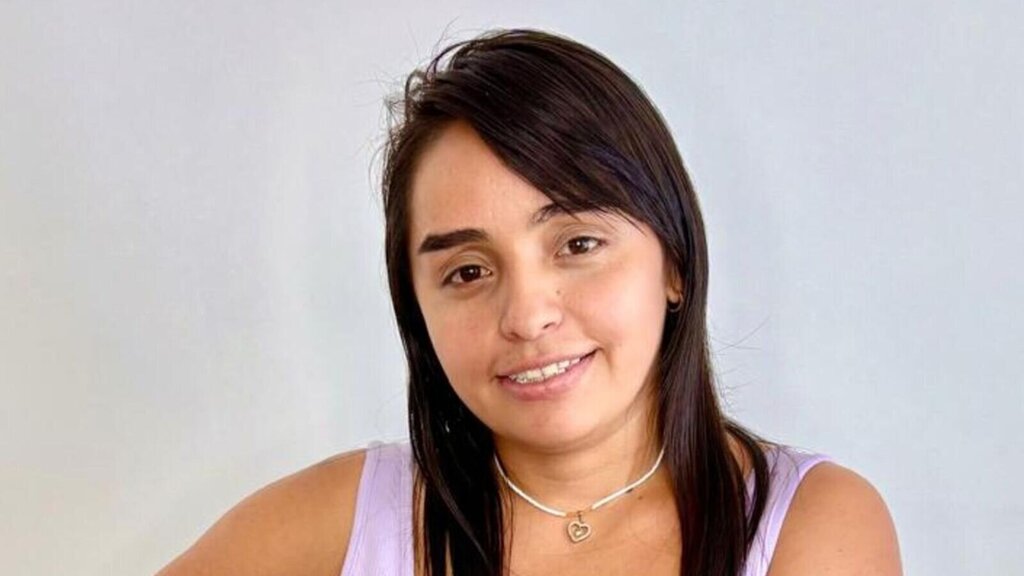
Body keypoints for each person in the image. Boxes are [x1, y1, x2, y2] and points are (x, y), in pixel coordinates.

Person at [157, 29, 902, 576]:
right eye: (467, 272)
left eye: (577, 244)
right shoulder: (337, 521)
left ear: (673, 262)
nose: (527, 316)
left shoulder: (810, 524)